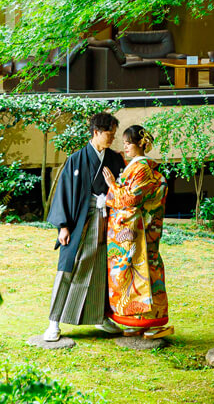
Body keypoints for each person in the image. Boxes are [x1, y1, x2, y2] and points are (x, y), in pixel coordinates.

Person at [43, 111, 126, 342]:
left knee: (101, 269)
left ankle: (101, 317)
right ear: (96, 132)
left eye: (113, 134)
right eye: (109, 134)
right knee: (69, 267)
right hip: (79, 219)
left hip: (106, 219)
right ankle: (54, 322)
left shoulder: (115, 159)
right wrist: (63, 226)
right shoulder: (76, 160)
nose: (112, 138)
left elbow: (123, 190)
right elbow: (64, 193)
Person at [102, 125, 172, 339]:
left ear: (140, 144)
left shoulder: (141, 167)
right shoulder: (135, 166)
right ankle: (133, 320)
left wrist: (112, 185)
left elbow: (131, 199)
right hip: (131, 232)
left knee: (142, 273)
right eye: (124, 143)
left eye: (129, 143)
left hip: (137, 232)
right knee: (128, 275)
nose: (125, 146)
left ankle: (152, 322)